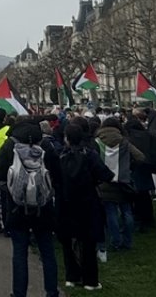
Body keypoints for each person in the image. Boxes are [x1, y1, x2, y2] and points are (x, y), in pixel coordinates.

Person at [0, 122, 60, 297]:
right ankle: (51, 291)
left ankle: (19, 292)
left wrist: (13, 191)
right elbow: (56, 172)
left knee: (19, 253)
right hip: (43, 206)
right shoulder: (45, 146)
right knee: (47, 251)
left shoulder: (9, 147)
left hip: (17, 208)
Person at [55, 123, 113, 291]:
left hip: (65, 203)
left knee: (68, 241)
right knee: (88, 242)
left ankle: (71, 277)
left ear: (66, 138)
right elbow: (106, 174)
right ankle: (90, 280)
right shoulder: (90, 155)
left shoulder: (60, 156)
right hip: (87, 202)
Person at [94, 117, 143, 255]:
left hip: (104, 182)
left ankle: (115, 241)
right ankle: (127, 241)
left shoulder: (97, 142)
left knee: (111, 213)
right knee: (127, 212)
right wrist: (129, 168)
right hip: (123, 181)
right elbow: (140, 157)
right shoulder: (124, 142)